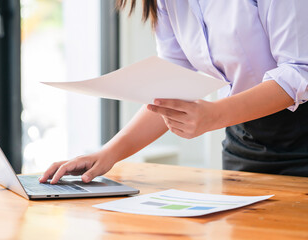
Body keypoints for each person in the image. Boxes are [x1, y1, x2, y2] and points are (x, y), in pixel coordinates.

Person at [40, 0, 308, 184]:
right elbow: (170, 88)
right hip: (244, 141)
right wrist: (107, 154)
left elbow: (299, 70)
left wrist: (213, 115)